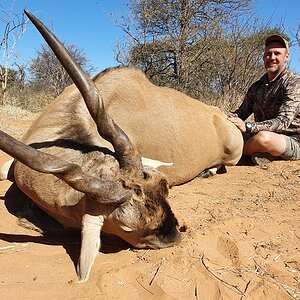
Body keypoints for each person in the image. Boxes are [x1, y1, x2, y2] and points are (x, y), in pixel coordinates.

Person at [228, 34, 300, 166]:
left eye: (277, 53)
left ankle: (229, 155)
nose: (272, 57)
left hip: (291, 140)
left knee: (263, 139)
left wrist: (248, 126)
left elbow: (283, 122)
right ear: (263, 57)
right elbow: (241, 113)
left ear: (287, 57)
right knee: (227, 133)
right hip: (257, 135)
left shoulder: (295, 83)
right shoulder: (256, 86)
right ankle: (263, 154)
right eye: (268, 54)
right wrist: (221, 115)